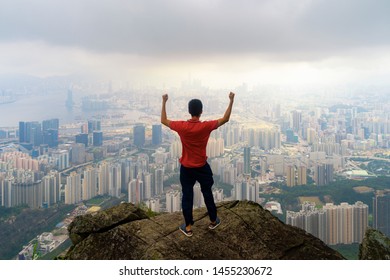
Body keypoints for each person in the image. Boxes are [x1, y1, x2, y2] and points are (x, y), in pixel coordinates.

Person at [161, 92, 235, 237]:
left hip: (186, 168)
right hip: (202, 167)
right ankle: (213, 220)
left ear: (189, 111)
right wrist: (231, 100)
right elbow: (225, 119)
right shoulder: (205, 126)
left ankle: (188, 227)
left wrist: (164, 101)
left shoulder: (182, 126)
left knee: (187, 195)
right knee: (207, 192)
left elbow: (163, 120)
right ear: (201, 112)